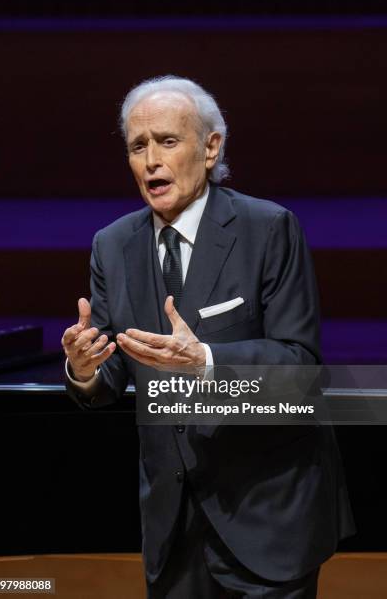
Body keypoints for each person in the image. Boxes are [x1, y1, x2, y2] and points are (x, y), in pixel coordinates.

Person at [63, 75, 355, 598]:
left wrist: (207, 362)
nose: (151, 159)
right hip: (174, 532)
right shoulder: (112, 246)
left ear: (210, 146)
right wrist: (84, 370)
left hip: (267, 518)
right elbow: (110, 375)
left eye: (167, 141)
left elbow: (301, 369)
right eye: (137, 146)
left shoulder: (269, 229)